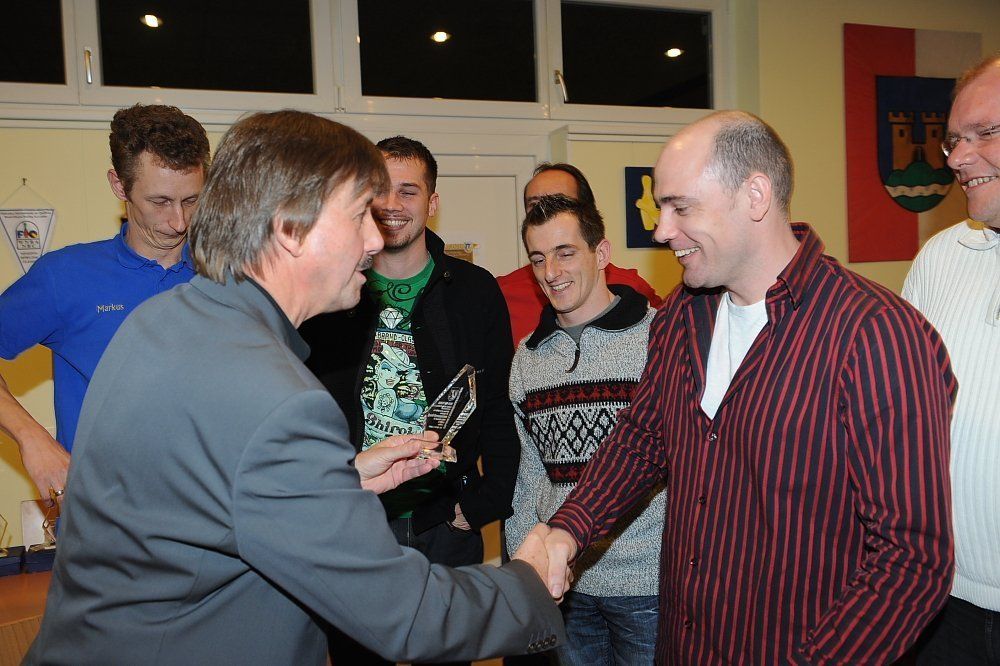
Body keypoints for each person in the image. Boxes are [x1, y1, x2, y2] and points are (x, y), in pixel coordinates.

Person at [24, 111, 564, 665]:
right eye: (358, 216)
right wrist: (527, 582)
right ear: (290, 228)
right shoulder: (277, 400)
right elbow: (401, 613)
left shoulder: (164, 318)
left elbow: (210, 496)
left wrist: (340, 481)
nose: (375, 238)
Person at [522, 110, 957, 664]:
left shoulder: (876, 334)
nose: (661, 230)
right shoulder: (682, 315)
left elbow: (911, 559)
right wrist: (568, 531)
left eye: (681, 207)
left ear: (755, 195)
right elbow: (642, 440)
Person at [300, 136, 520, 663]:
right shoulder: (332, 292)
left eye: (409, 190)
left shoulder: (473, 291)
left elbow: (498, 406)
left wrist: (482, 504)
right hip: (354, 524)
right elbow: (304, 409)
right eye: (381, 191)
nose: (393, 205)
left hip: (445, 523)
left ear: (432, 201)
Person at [0, 104, 209, 502]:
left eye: (191, 200)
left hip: (206, 515)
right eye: (160, 201)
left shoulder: (225, 277)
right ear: (119, 185)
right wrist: (32, 439)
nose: (179, 221)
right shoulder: (66, 276)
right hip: (103, 518)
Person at [506, 194, 663, 665]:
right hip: (566, 584)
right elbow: (528, 478)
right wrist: (529, 570)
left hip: (647, 583)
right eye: (538, 258)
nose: (551, 271)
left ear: (602, 253)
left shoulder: (658, 339)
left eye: (565, 252)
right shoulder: (527, 359)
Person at [902, 53, 1000, 664]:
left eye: (984, 133)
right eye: (954, 140)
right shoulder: (940, 257)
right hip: (942, 597)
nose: (959, 158)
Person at [497, 163, 662, 344]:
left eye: (562, 202)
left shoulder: (633, 288)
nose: (550, 274)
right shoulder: (502, 294)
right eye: (535, 206)